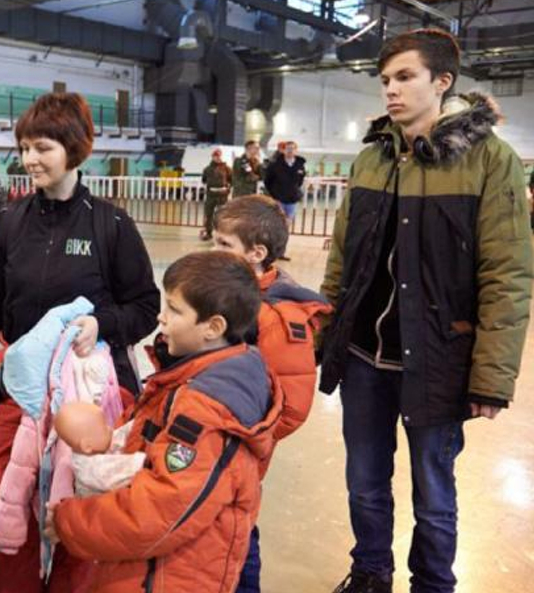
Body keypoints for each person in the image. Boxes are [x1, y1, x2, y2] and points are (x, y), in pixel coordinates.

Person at [319, 29, 533, 593]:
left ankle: (432, 584)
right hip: (365, 358)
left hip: (437, 359)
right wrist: (326, 332)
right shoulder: (372, 158)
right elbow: (341, 258)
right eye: (386, 79)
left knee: (433, 492)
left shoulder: (490, 161)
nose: (391, 89)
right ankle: (370, 573)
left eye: (405, 77)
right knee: (364, 482)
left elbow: (507, 273)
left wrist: (491, 375)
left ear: (443, 82)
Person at [0, 92, 159, 592]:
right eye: (23, 147)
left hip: (87, 403)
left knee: (76, 525)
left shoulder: (111, 225)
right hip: (18, 398)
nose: (29, 159)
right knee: (10, 514)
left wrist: (101, 324)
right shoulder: (9, 225)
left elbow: (145, 307)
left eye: (42, 147)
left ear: (74, 148)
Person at [44, 251, 282, 593]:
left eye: (174, 309)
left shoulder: (206, 410)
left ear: (213, 328)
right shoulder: (196, 376)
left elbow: (157, 512)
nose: (160, 317)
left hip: (166, 578)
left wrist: (70, 522)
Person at [212, 195, 332, 593]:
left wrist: (246, 437)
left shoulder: (278, 316)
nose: (213, 251)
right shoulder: (228, 293)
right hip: (212, 436)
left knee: (238, 525)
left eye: (223, 244)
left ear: (256, 253)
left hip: (240, 445)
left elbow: (292, 407)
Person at [263, 140, 306, 222]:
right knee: (277, 221)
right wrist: (274, 195)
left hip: (292, 199)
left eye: (292, 148)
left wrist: (294, 190)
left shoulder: (300, 165)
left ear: (296, 150)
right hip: (278, 199)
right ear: (283, 150)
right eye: (287, 148)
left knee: (289, 221)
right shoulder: (275, 164)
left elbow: (300, 181)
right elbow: (268, 180)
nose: (290, 150)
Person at [200, 147, 232, 241]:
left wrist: (227, 190)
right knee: (208, 214)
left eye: (219, 156)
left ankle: (221, 234)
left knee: (222, 215)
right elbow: (204, 180)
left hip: (222, 195)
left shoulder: (227, 168)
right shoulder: (207, 169)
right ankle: (208, 233)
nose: (217, 158)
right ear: (212, 157)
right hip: (211, 195)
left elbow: (232, 180)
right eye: (215, 156)